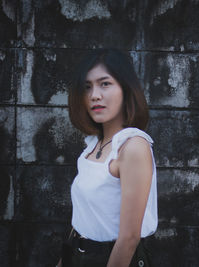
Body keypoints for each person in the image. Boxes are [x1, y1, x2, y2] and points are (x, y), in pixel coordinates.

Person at [56, 48, 157, 267]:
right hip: (77, 253)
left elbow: (129, 238)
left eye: (105, 84)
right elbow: (83, 219)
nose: (94, 95)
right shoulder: (93, 145)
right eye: (87, 87)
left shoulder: (133, 146)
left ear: (125, 89)